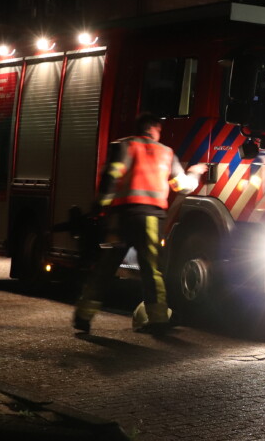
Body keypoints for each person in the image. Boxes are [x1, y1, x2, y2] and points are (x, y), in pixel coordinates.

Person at [73, 113, 208, 335]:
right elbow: (182, 186)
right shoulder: (166, 153)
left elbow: (111, 177)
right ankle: (158, 320)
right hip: (151, 218)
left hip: (121, 217)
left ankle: (83, 316)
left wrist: (100, 207)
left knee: (106, 267)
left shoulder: (124, 146)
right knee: (151, 269)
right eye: (159, 130)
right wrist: (194, 172)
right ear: (154, 129)